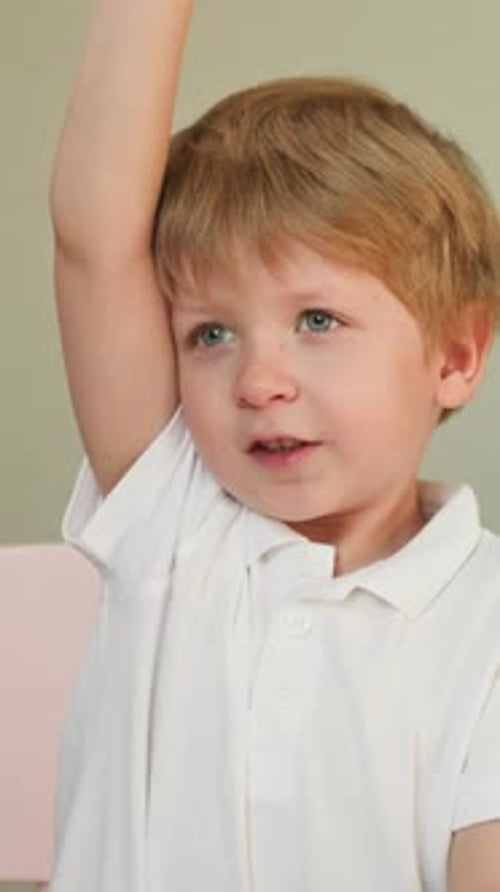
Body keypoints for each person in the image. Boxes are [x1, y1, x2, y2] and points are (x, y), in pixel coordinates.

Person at [49, 0, 500, 889]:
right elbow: (94, 243)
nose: (259, 381)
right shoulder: (171, 520)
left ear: (454, 355)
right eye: (210, 335)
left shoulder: (486, 625)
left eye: (318, 320)